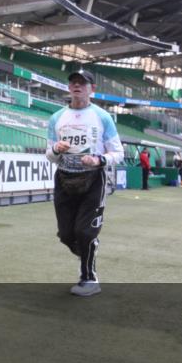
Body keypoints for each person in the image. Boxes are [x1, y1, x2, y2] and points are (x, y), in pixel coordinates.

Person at [46, 70, 124, 297]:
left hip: (93, 180)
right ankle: (88, 249)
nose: (77, 85)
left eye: (82, 82)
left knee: (85, 232)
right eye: (73, 82)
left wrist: (99, 159)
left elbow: (118, 152)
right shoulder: (56, 118)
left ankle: (89, 278)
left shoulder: (102, 117)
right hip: (64, 178)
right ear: (69, 88)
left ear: (92, 89)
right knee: (65, 234)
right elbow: (49, 155)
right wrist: (55, 150)